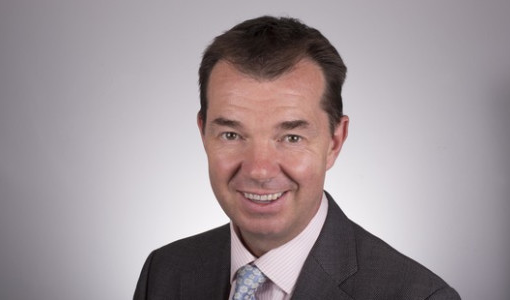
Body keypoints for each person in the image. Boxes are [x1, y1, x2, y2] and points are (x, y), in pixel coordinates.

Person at [134, 16, 460, 299]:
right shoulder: (164, 273)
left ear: (334, 142)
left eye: (291, 137)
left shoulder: (419, 295)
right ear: (204, 134)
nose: (260, 170)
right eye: (232, 135)